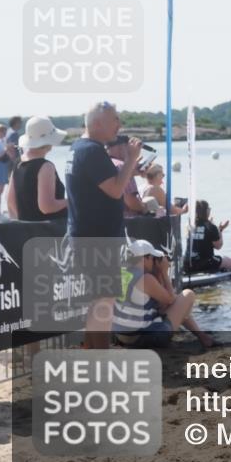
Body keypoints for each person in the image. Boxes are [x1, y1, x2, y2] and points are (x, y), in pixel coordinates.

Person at [67, 102, 142, 349]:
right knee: (103, 302)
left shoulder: (80, 147)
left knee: (100, 301)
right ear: (98, 123)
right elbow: (116, 190)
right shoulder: (91, 150)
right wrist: (131, 160)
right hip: (96, 239)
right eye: (115, 120)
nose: (119, 125)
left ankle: (92, 355)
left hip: (91, 236)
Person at [112, 239, 213, 348]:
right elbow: (170, 300)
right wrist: (164, 273)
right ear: (145, 258)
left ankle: (202, 336)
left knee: (171, 305)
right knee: (188, 295)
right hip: (141, 339)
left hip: (121, 336)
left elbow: (161, 304)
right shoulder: (145, 278)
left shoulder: (122, 272)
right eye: (152, 258)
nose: (153, 261)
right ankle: (203, 337)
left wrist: (158, 274)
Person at [7, 116, 67, 222]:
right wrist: (71, 201)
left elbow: (11, 201)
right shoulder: (45, 167)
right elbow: (47, 207)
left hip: (28, 232)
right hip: (49, 232)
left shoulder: (18, 162)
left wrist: (26, 223)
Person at [185, 200, 231, 277]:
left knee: (224, 259)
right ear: (206, 211)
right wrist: (220, 230)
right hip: (206, 262)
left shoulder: (189, 226)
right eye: (209, 209)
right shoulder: (210, 227)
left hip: (188, 264)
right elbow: (218, 246)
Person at [105, 135, 150, 216]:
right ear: (122, 147)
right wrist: (148, 208)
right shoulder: (121, 166)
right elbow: (131, 202)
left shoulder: (104, 163)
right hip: (127, 222)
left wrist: (134, 170)